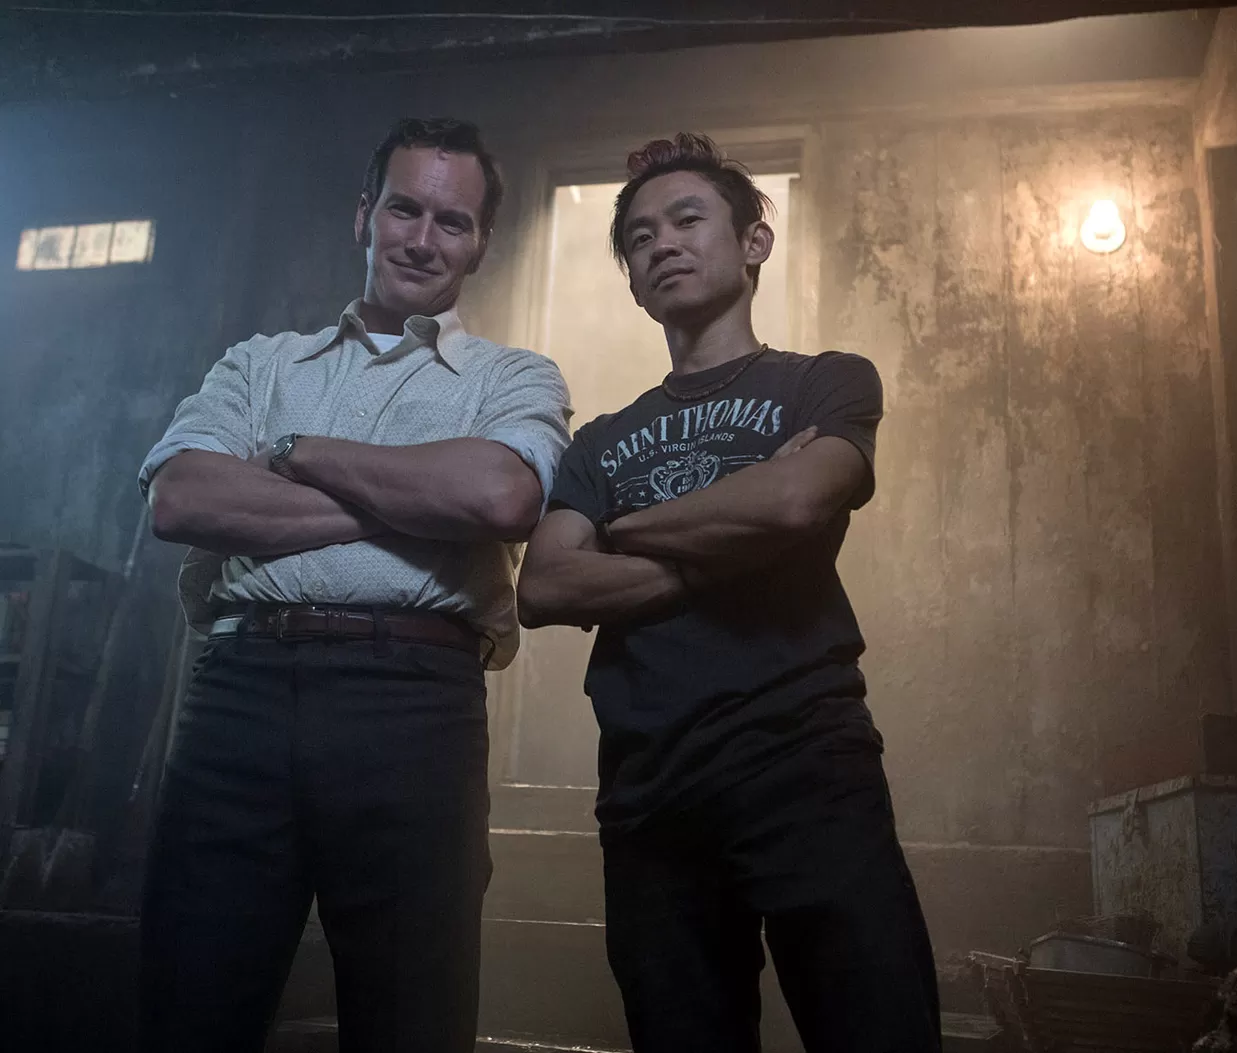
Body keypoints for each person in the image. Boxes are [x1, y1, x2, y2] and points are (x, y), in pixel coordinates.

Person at [137, 116, 571, 1053]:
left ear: (481, 243)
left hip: (413, 703)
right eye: (405, 209)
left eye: (452, 222)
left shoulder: (513, 377)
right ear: (364, 214)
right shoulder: (260, 362)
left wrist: (297, 453)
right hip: (239, 696)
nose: (423, 239)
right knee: (189, 1009)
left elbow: (499, 496)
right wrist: (415, 502)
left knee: (413, 1021)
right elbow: (181, 498)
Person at [517, 133, 939, 1053]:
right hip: (648, 788)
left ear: (754, 242)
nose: (661, 244)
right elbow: (543, 583)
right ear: (633, 283)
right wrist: (734, 533)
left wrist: (621, 526)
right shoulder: (599, 441)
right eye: (639, 238)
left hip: (805, 759)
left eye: (686, 219)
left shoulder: (824, 381)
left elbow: (795, 501)